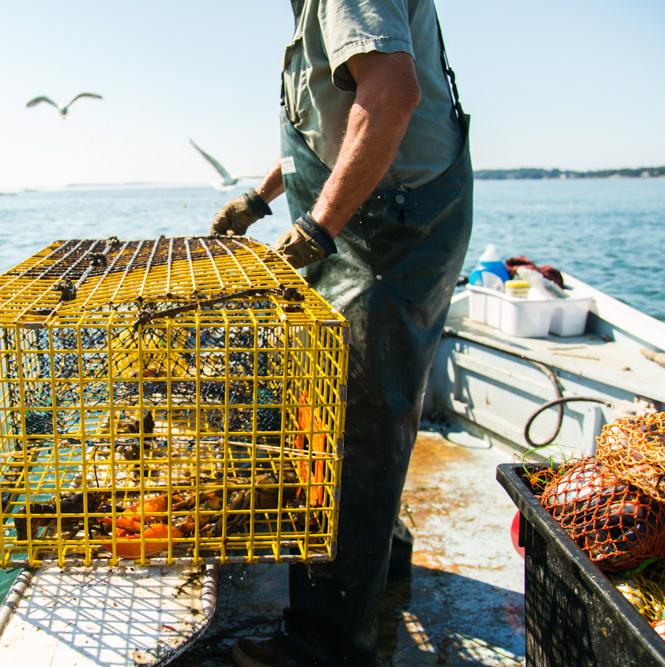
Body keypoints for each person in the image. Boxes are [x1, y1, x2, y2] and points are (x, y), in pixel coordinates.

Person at [211, 1, 473, 665]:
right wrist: (262, 197)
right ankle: (382, 555)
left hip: (388, 229)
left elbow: (390, 96)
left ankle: (324, 647)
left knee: (354, 426)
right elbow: (333, 119)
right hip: (378, 218)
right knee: (354, 409)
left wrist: (315, 229)